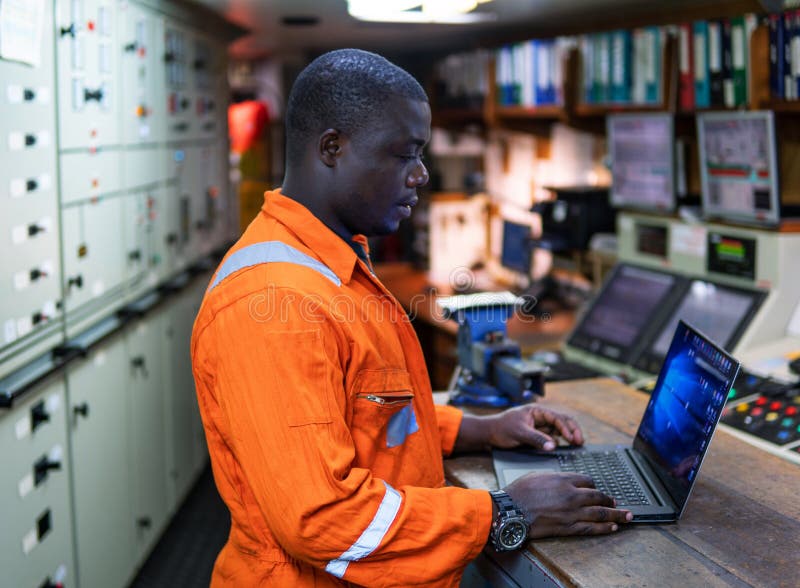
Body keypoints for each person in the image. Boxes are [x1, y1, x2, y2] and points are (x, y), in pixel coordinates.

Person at [191, 48, 632, 587]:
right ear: (333, 148)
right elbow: (324, 520)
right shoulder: (273, 304)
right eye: (405, 154)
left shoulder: (333, 262)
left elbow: (366, 411)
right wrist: (504, 513)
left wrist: (478, 429)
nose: (421, 175)